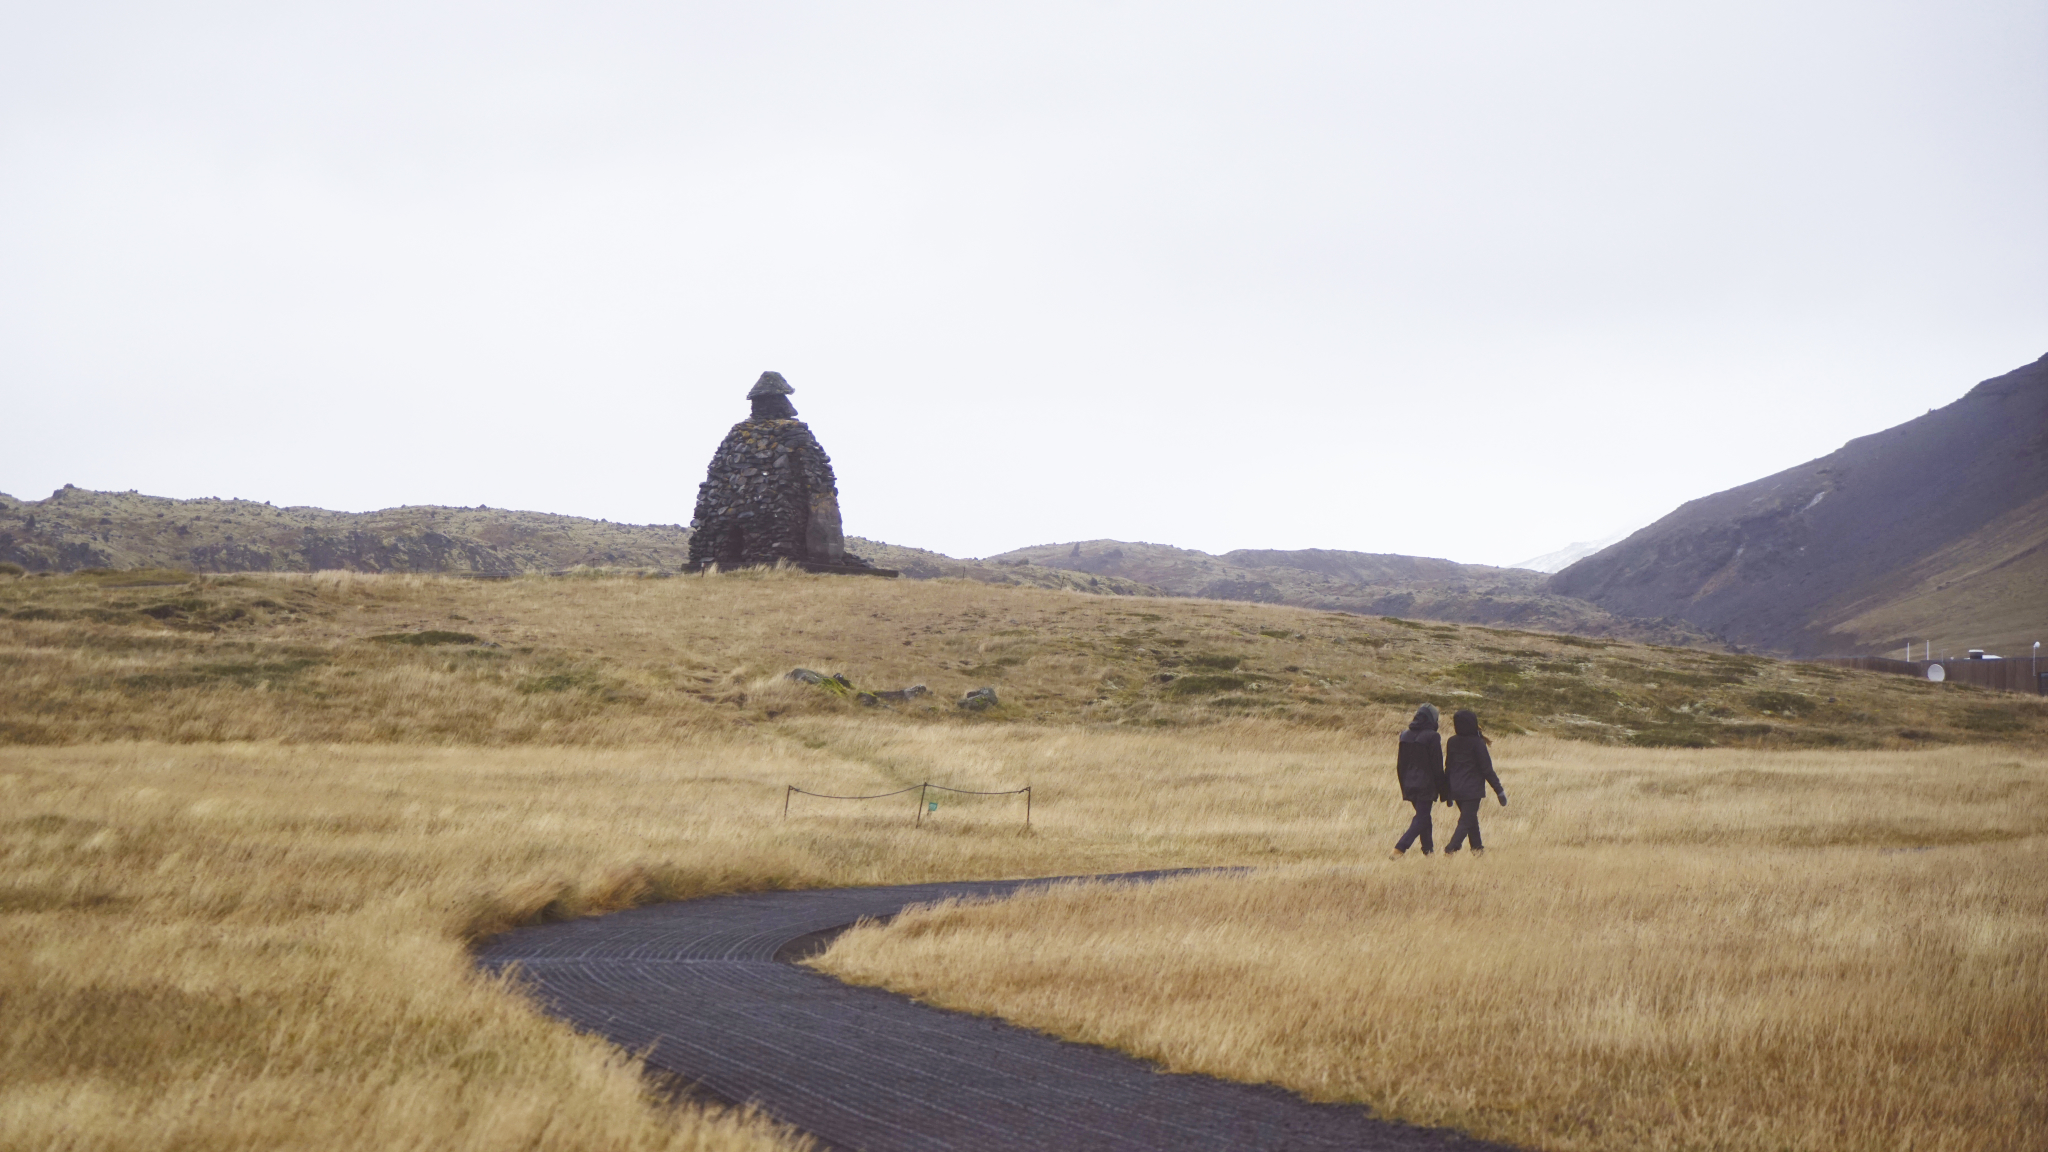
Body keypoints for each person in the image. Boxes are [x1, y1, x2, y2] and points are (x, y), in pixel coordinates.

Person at [1444, 709, 1507, 855]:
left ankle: (1477, 849)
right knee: (1466, 820)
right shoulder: (1478, 743)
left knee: (1470, 818)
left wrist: (1447, 791)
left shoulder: (1452, 741)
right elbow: (1487, 769)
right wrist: (1499, 790)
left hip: (1456, 789)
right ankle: (1452, 847)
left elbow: (1448, 767)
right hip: (1472, 790)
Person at [1391, 703, 1445, 857]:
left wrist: (1403, 786)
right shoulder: (1433, 736)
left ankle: (1428, 852)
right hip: (1426, 784)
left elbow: (1400, 764)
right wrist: (1443, 789)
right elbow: (1437, 765)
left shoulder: (1404, 735)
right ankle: (1400, 848)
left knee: (1424, 816)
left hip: (1408, 782)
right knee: (1422, 817)